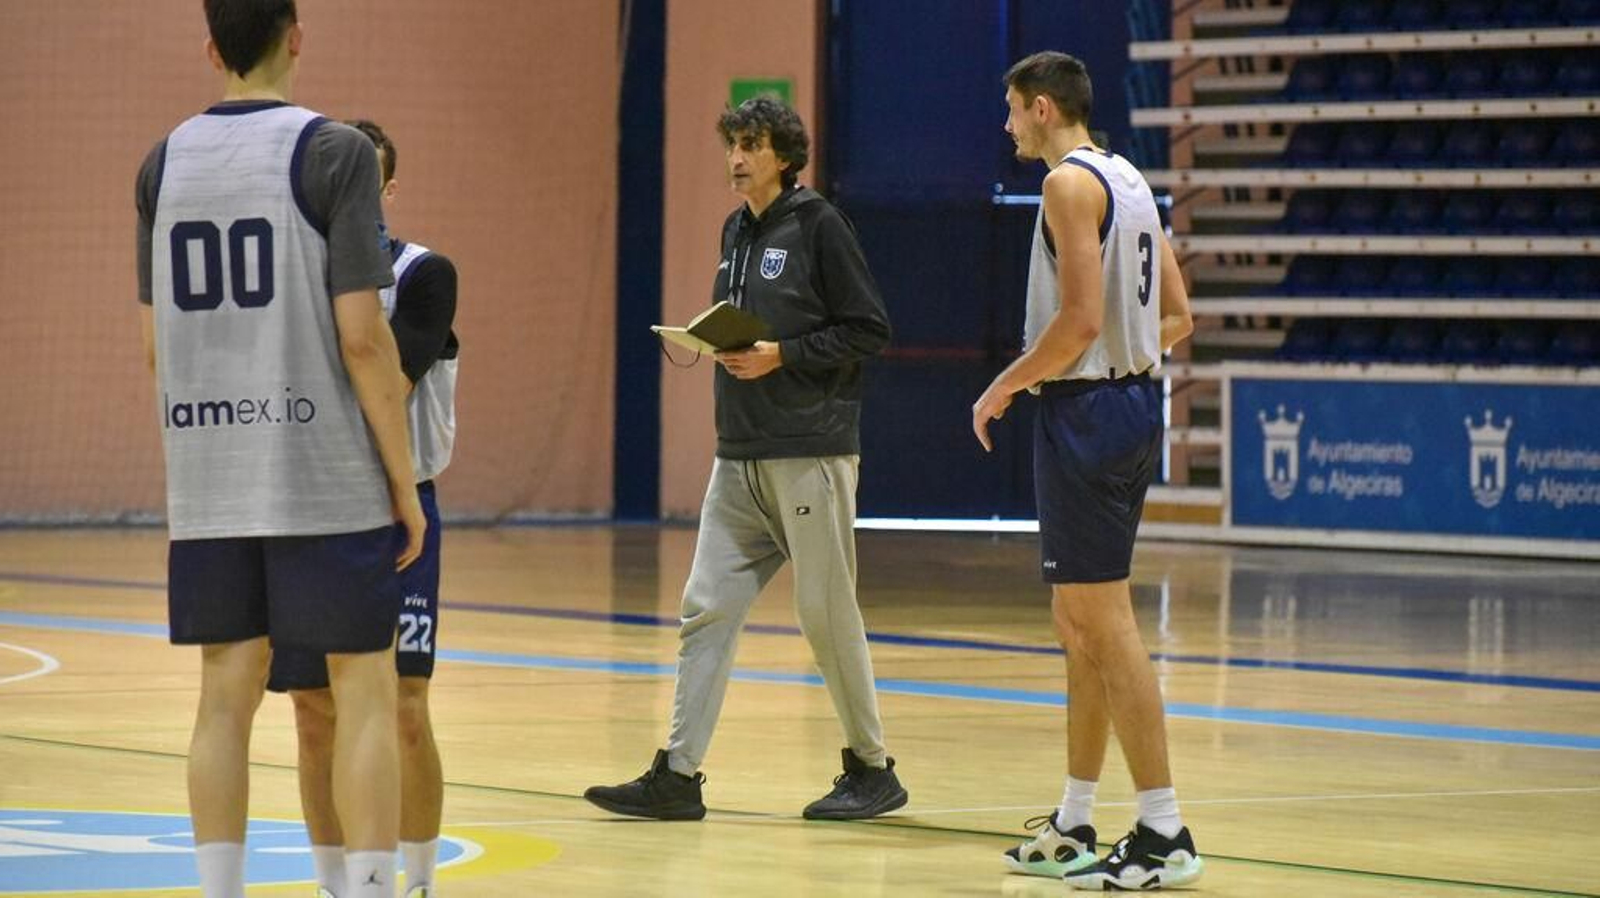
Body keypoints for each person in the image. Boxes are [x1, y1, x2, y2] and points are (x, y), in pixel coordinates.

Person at [135, 3, 423, 896]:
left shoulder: (162, 163)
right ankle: (370, 888)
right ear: (296, 35)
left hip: (211, 476)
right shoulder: (334, 152)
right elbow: (364, 339)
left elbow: (156, 349)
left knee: (224, 695)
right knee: (364, 688)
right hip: (322, 472)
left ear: (212, 47)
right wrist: (404, 485)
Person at [584, 96, 904, 821]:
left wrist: (781, 355)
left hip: (809, 451)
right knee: (706, 608)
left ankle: (872, 768)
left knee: (826, 616)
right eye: (732, 142)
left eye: (751, 144)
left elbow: (869, 328)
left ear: (785, 156)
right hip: (740, 455)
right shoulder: (736, 228)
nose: (736, 156)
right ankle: (677, 773)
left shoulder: (820, 224)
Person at [971, 52, 1203, 891]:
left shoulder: (1068, 185)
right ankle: (1074, 818)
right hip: (1129, 405)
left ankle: (1164, 828)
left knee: (1105, 626)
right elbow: (1179, 316)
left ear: (1041, 108)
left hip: (1091, 413)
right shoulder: (1130, 177)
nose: (1004, 127)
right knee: (1078, 627)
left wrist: (1002, 386)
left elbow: (1074, 322)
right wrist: (1126, 359)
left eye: (1010, 112)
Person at [266, 120, 458, 898]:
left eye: (361, 179)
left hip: (396, 508)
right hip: (308, 508)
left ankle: (414, 882)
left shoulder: (424, 273)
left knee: (404, 706)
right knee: (313, 709)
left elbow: (385, 384)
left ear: (384, 188)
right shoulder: (295, 274)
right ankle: (334, 885)